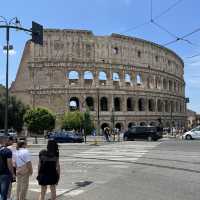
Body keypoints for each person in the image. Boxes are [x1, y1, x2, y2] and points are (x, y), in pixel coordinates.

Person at [0, 135, 15, 200]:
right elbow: (9, 164)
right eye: (6, 139)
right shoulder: (7, 151)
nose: (7, 141)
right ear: (3, 141)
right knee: (4, 194)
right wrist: (13, 174)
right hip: (5, 174)